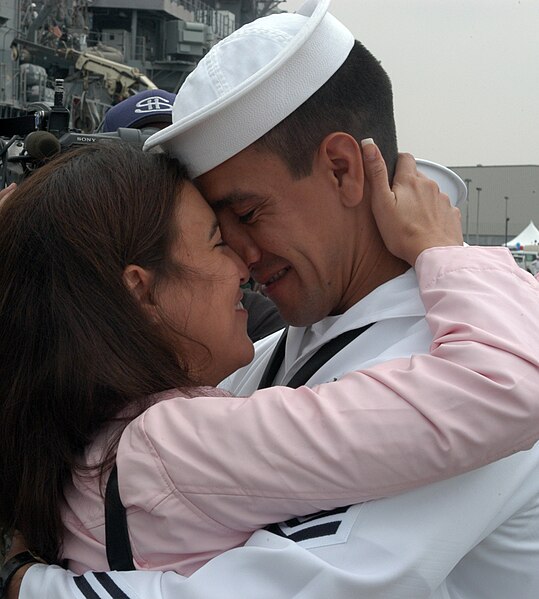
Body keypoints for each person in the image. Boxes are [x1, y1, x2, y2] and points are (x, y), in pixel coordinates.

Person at [3, 0, 539, 596]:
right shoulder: (282, 349)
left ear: (341, 169)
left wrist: (25, 581)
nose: (238, 255)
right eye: (217, 228)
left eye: (248, 212)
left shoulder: (450, 363)